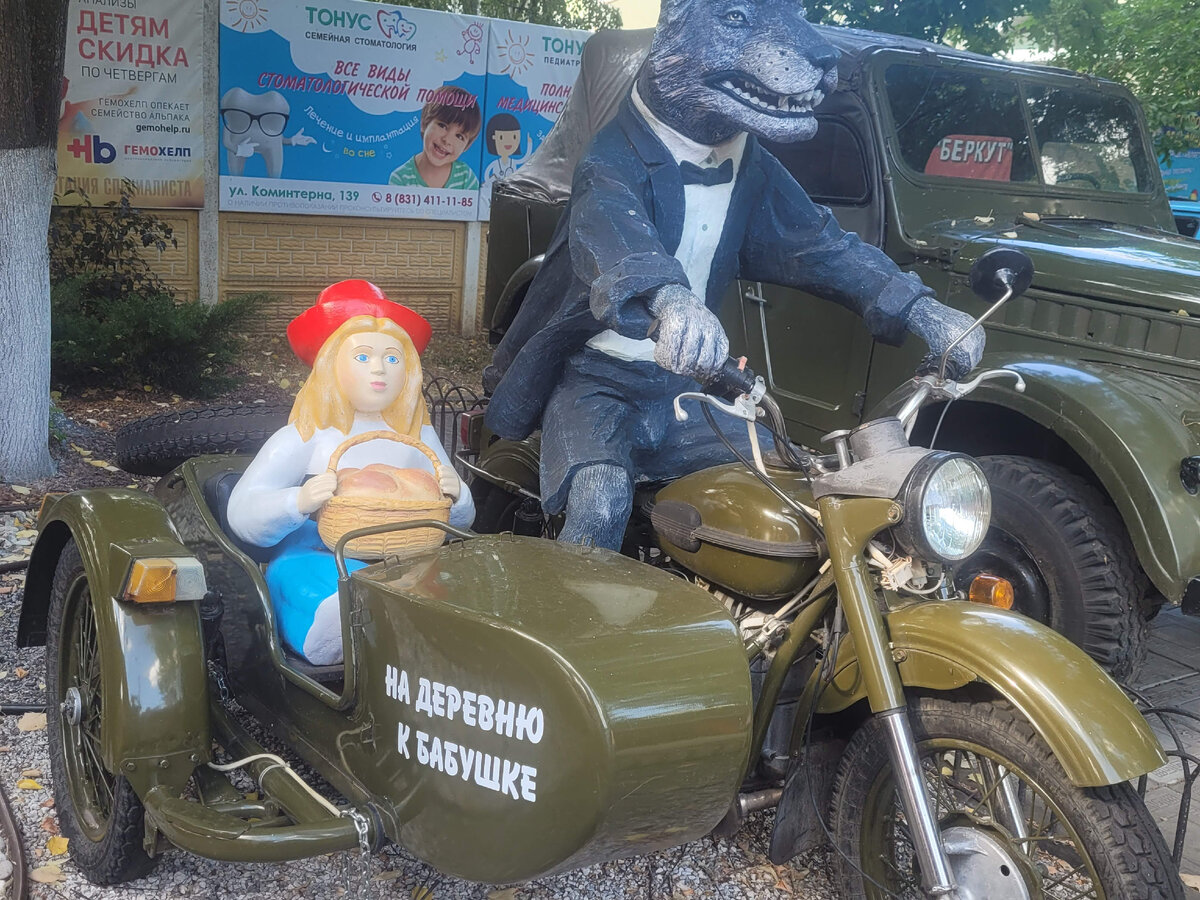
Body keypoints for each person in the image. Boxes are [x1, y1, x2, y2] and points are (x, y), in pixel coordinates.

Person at [228, 280, 474, 665]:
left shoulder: (418, 436)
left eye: (393, 359)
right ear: (330, 365)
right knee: (308, 580)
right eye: (362, 357)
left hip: (409, 551)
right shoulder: (304, 436)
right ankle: (332, 630)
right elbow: (242, 511)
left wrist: (457, 495)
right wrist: (298, 500)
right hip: (319, 551)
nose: (379, 369)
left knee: (448, 582)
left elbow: (460, 513)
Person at [388, 86, 482, 190]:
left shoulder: (466, 177)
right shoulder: (401, 178)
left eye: (459, 136)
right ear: (425, 123)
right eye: (442, 126)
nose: (447, 140)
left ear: (466, 147)